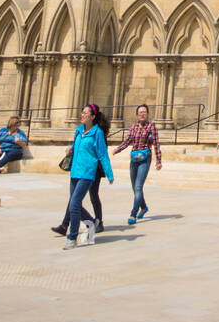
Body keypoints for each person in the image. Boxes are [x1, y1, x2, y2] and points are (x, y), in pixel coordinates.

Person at [61, 103, 114, 249]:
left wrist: (109, 174)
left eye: (86, 113)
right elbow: (77, 147)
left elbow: (103, 155)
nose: (82, 115)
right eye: (82, 112)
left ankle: (72, 238)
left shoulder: (97, 133)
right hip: (75, 172)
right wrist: (70, 149)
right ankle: (92, 222)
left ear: (92, 116)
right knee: (75, 204)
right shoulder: (78, 131)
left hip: (87, 173)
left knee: (74, 204)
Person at [112, 103, 162, 223]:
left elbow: (156, 143)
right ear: (137, 114)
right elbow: (128, 140)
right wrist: (117, 150)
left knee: (139, 186)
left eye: (144, 112)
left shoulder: (151, 127)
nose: (142, 114)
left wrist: (158, 160)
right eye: (140, 112)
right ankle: (144, 207)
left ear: (148, 114)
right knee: (135, 187)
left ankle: (133, 214)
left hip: (145, 158)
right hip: (134, 158)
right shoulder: (133, 127)